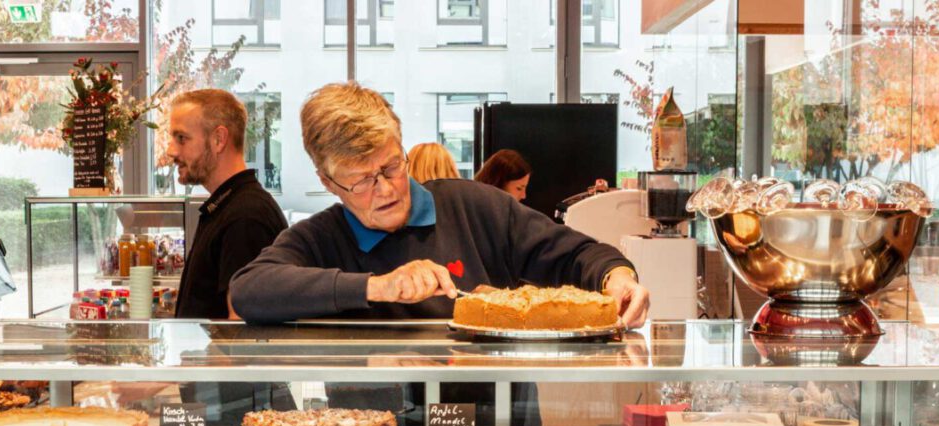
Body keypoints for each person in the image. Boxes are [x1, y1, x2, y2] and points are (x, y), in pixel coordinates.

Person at [231, 82, 649, 326]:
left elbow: (577, 253)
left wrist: (616, 276)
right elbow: (249, 291)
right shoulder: (320, 237)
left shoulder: (476, 208)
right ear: (329, 183)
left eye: (392, 166)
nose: (386, 189)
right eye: (361, 181)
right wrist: (377, 286)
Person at [166, 88, 288, 319]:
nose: (171, 150)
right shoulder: (228, 206)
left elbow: (240, 329)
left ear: (218, 140)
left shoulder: (246, 217)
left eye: (181, 138)